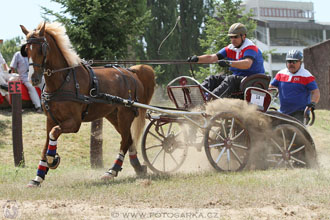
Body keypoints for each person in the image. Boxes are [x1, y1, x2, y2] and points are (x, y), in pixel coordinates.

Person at [187, 23, 265, 98]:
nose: (233, 40)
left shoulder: (250, 47)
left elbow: (247, 64)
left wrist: (229, 63)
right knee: (213, 79)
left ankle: (210, 99)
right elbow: (212, 57)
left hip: (253, 81)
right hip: (240, 80)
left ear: (243, 36)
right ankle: (196, 97)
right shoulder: (230, 48)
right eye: (231, 37)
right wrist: (197, 59)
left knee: (231, 79)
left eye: (236, 37)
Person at [269, 50, 320, 123]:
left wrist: (312, 104)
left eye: (295, 62)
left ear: (300, 62)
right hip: (283, 112)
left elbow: (316, 92)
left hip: (300, 113)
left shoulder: (306, 76)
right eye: (289, 61)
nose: (291, 64)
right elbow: (270, 88)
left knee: (292, 132)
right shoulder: (281, 74)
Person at [10, 44, 42, 112]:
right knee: (31, 87)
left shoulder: (32, 53)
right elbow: (12, 67)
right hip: (24, 77)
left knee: (43, 85)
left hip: (34, 74)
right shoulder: (17, 54)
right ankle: (38, 106)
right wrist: (14, 75)